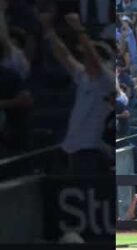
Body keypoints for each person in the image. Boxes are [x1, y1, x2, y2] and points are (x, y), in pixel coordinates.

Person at [40, 12, 114, 174]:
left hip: (91, 151)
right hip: (73, 150)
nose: (84, 57)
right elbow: (64, 56)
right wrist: (49, 31)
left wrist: (78, 29)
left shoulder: (107, 79)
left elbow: (94, 62)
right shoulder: (84, 76)